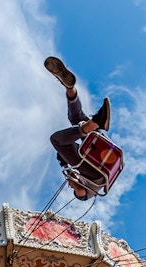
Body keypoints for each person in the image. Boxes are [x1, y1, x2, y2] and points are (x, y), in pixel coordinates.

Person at [44, 56, 111, 201]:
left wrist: (66, 164)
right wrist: (73, 182)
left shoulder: (83, 171)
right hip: (96, 171)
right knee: (57, 140)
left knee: (76, 120)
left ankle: (70, 89)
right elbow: (80, 191)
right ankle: (94, 124)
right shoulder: (85, 195)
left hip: (99, 156)